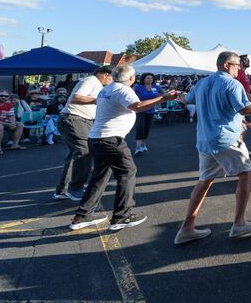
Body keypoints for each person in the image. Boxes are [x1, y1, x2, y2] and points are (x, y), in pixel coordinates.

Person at [173, 51, 251, 245]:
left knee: (204, 180)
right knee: (246, 173)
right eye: (237, 64)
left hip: (205, 140)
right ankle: (239, 223)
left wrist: (176, 95)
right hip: (225, 139)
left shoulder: (202, 83)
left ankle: (186, 228)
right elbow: (245, 108)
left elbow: (187, 100)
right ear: (226, 65)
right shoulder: (232, 84)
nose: (240, 68)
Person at [69, 65, 177, 231]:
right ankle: (122, 216)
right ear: (132, 78)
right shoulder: (122, 90)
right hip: (110, 139)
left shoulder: (108, 89)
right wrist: (163, 98)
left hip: (97, 137)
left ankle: (82, 216)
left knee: (99, 177)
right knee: (127, 173)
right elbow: (137, 106)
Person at [54, 66, 113, 201]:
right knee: (85, 152)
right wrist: (98, 100)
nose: (112, 81)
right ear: (104, 74)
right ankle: (75, 188)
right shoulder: (91, 80)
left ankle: (63, 189)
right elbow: (75, 98)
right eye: (111, 78)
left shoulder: (97, 84)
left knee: (74, 155)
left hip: (77, 119)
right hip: (74, 118)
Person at [133, 73, 162, 154]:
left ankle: (143, 145)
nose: (150, 80)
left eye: (151, 78)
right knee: (140, 127)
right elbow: (131, 94)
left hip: (151, 110)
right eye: (148, 78)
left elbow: (163, 93)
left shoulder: (155, 87)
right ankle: (138, 147)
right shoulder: (138, 87)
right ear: (143, 79)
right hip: (140, 110)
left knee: (147, 128)